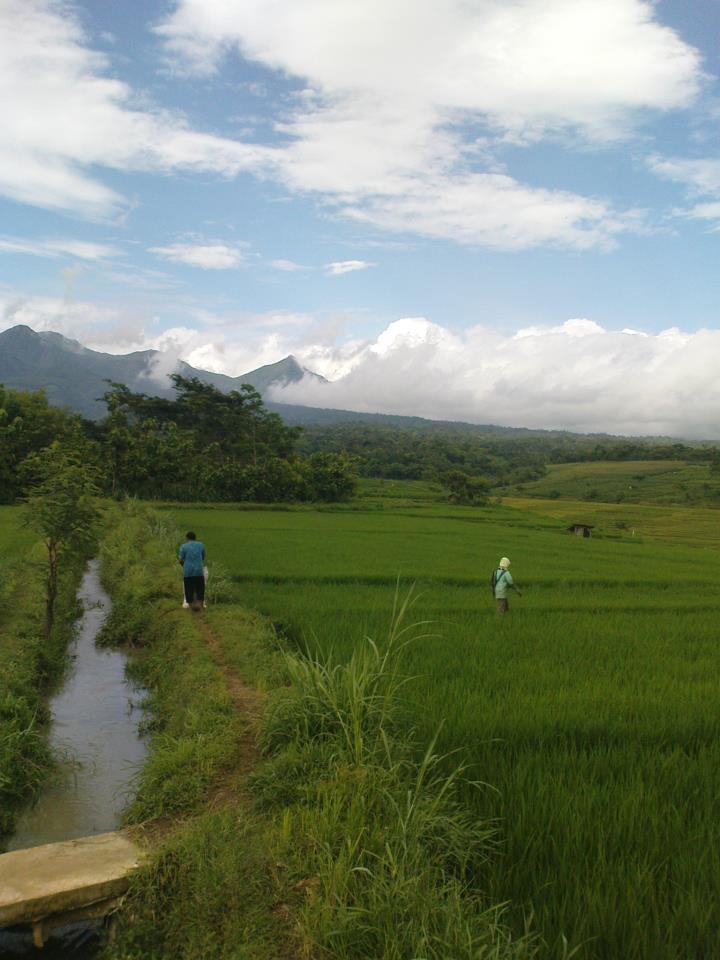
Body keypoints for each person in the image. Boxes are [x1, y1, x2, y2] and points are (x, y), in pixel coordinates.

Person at [178, 531, 206, 610]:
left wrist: (184, 565)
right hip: (199, 570)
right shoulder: (201, 545)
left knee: (188, 588)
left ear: (187, 538)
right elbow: (203, 556)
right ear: (195, 538)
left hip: (188, 571)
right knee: (200, 588)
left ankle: (190, 606)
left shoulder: (183, 546)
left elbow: (180, 559)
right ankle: (200, 605)